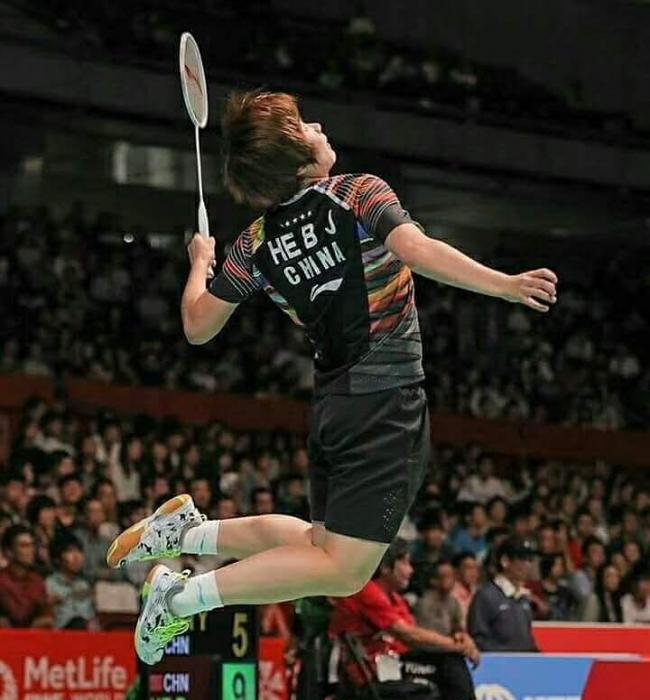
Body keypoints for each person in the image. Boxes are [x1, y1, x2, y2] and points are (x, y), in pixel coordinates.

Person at [105, 90, 558, 665]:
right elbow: (416, 250)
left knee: (318, 545)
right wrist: (505, 285)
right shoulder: (358, 193)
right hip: (384, 404)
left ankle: (186, 534)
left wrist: (200, 264)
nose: (318, 126)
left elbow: (197, 325)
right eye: (304, 125)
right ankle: (180, 596)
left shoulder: (255, 244)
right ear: (297, 160)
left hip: (335, 409)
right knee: (344, 571)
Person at [329, 541, 515, 700]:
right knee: (448, 664)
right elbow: (407, 635)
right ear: (385, 567)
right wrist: (455, 645)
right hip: (366, 673)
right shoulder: (368, 592)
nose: (411, 570)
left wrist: (457, 638)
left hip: (391, 665)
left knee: (448, 673)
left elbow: (415, 639)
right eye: (405, 563)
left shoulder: (396, 599)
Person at [468, 540, 538, 651]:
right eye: (522, 559)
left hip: (524, 661)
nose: (528, 565)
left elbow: (527, 639)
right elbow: (478, 639)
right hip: (499, 661)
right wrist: (504, 656)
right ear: (505, 561)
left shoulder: (523, 598)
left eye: (530, 560)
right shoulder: (486, 596)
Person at [0, 525, 52, 628]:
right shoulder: (2, 581)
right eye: (24, 546)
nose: (31, 550)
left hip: (33, 636)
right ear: (9, 552)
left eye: (32, 545)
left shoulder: (37, 581)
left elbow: (47, 619)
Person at [46, 537, 96, 629]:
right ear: (57, 558)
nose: (77, 557)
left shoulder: (84, 585)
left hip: (85, 634)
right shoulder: (49, 585)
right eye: (70, 551)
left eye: (79, 551)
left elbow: (91, 619)